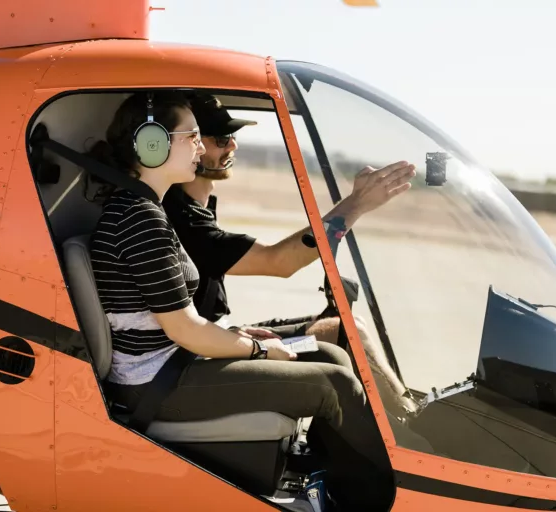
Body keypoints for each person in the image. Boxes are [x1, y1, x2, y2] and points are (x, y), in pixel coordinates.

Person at [87, 90, 393, 510]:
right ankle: (383, 500)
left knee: (330, 354)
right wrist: (260, 347)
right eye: (191, 135)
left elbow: (181, 321)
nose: (200, 144)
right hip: (156, 382)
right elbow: (186, 329)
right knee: (335, 385)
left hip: (172, 363)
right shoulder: (140, 219)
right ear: (151, 143)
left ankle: (336, 488)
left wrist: (237, 334)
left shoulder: (147, 210)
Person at [161, 93, 419, 415]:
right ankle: (411, 428)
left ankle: (406, 418)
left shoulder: (197, 208)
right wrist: (355, 206)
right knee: (341, 346)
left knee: (346, 328)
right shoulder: (180, 217)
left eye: (233, 137)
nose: (233, 146)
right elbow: (279, 262)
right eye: (222, 138)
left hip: (221, 335)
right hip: (198, 357)